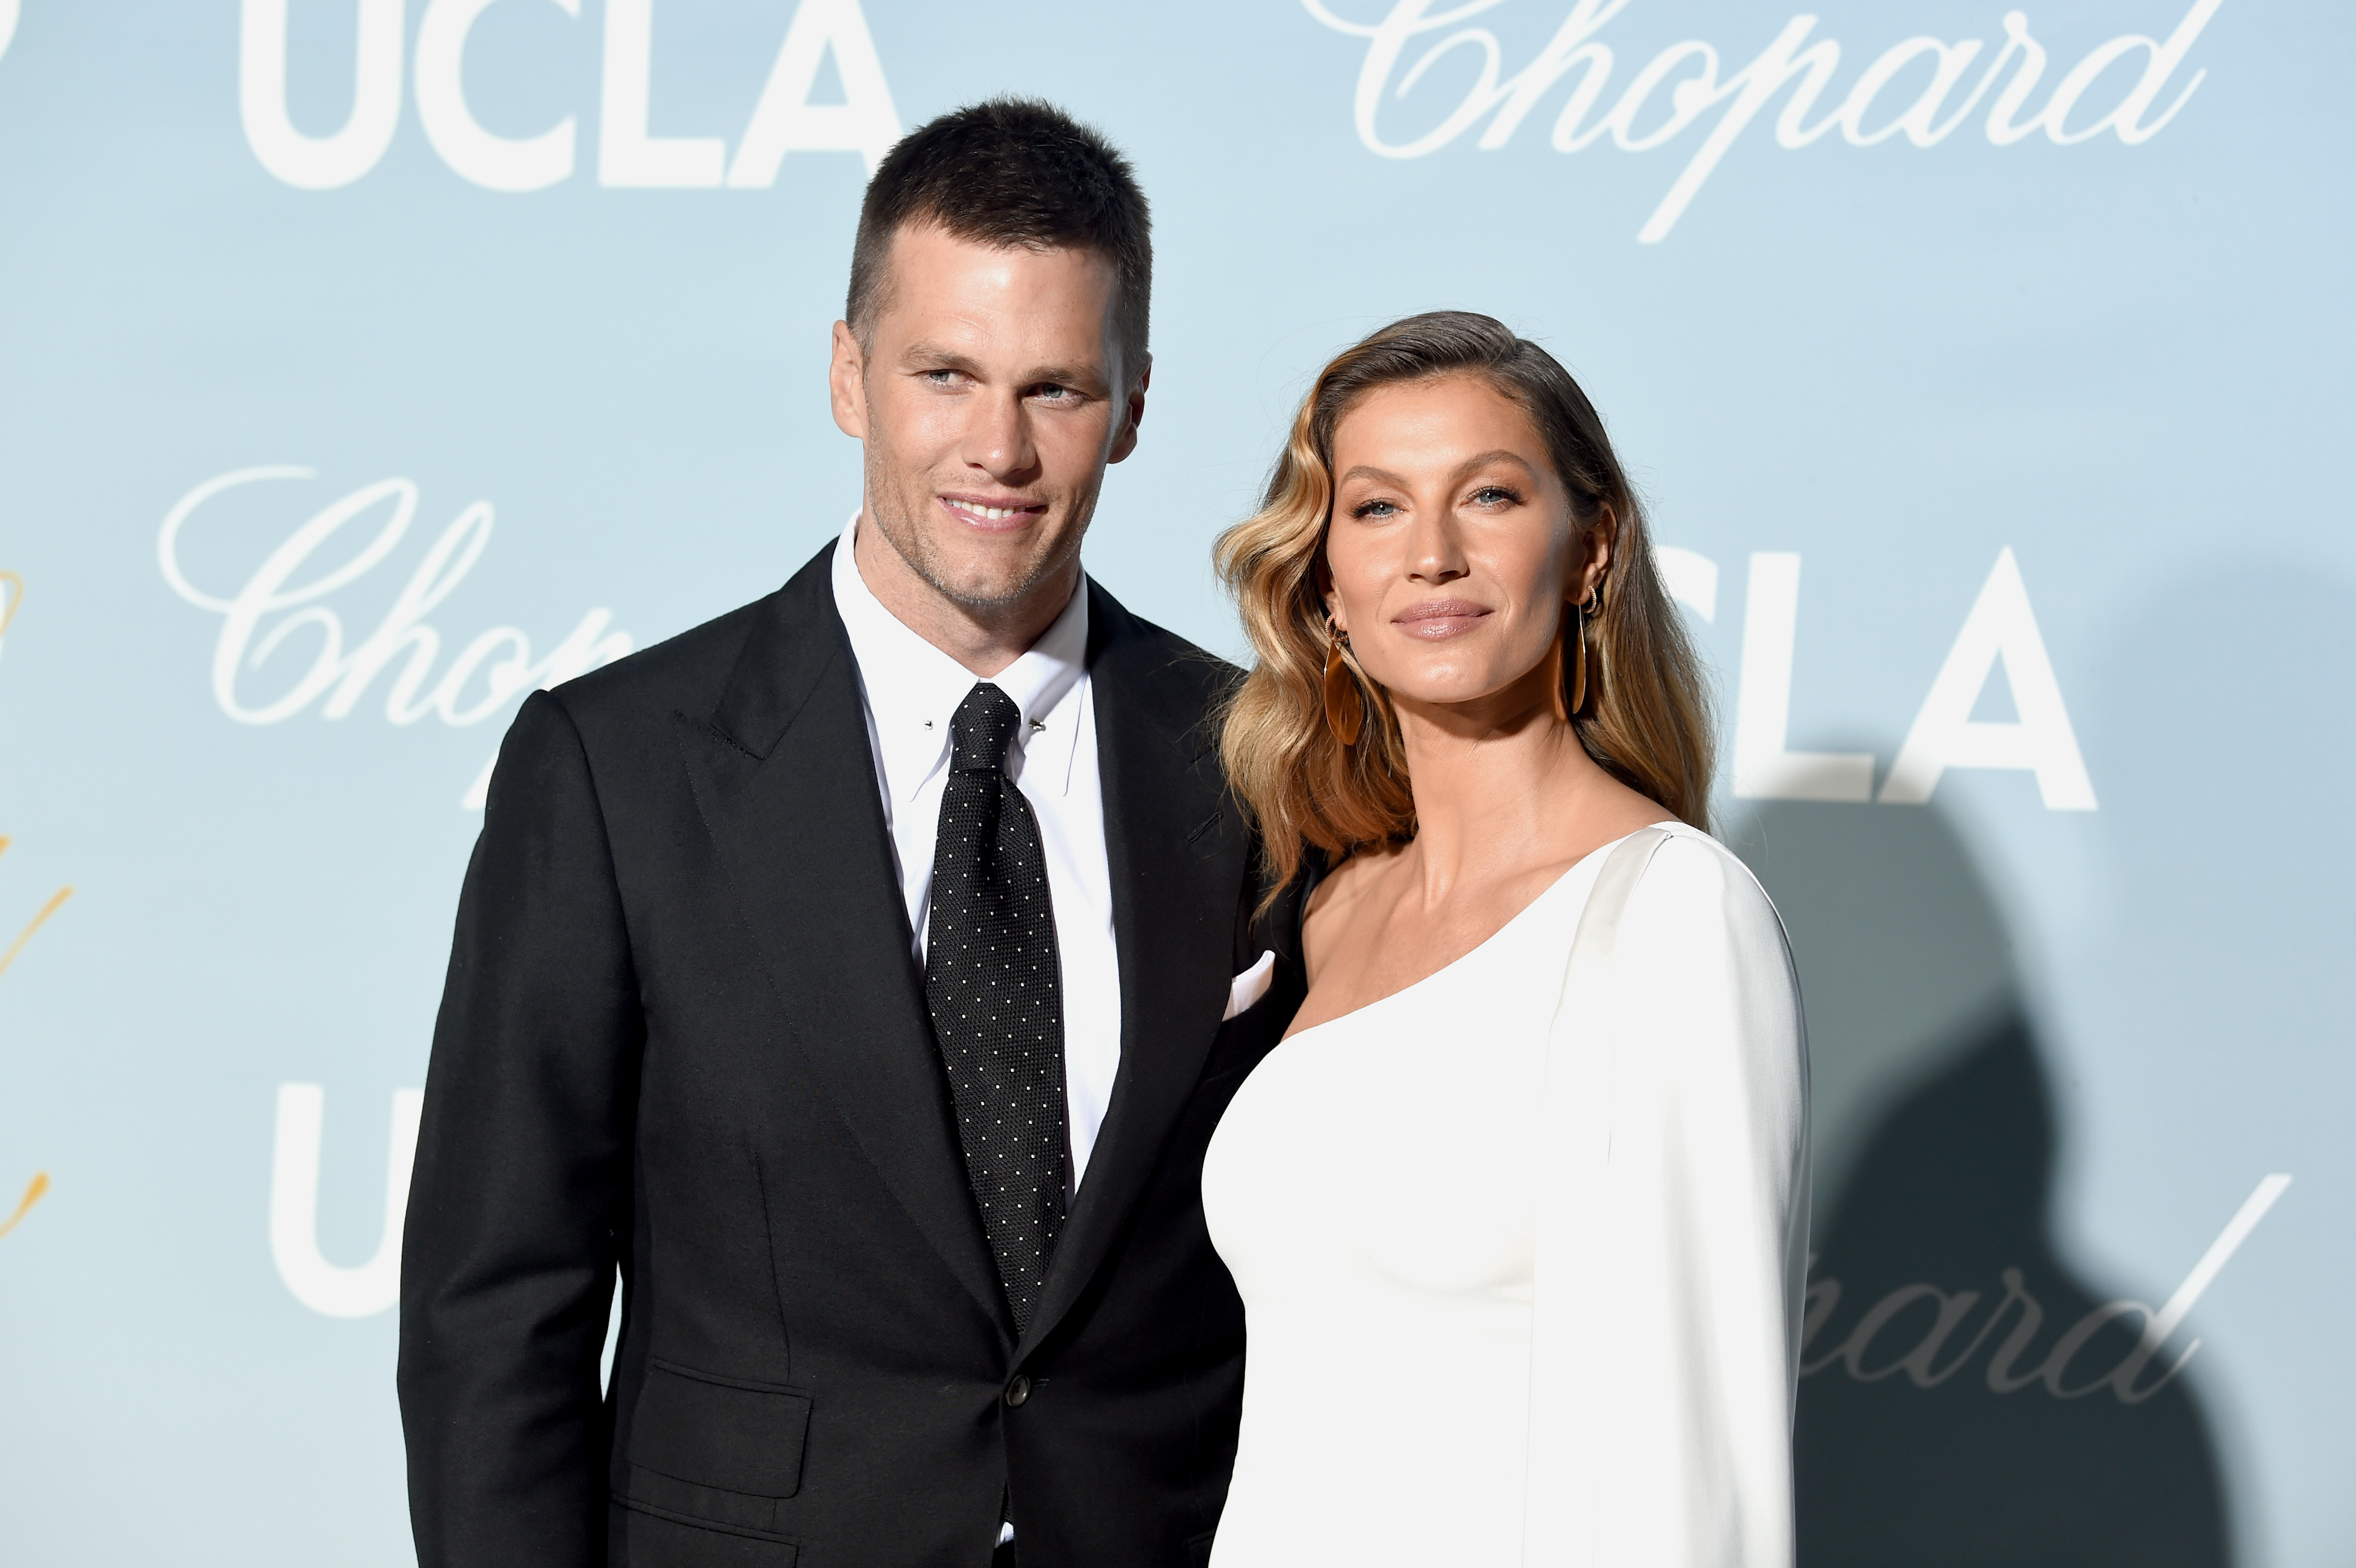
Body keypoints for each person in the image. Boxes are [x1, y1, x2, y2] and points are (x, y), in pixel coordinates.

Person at [398, 100, 1302, 1568]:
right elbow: (495, 1312)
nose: (997, 447)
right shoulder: (618, 767)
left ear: (1133, 408)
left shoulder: (1262, 763)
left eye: (1056, 388)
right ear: (846, 374)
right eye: (943, 374)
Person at [1202, 312, 1811, 1565]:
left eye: (1487, 495)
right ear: (1325, 585)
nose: (1431, 555)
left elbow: (1698, 1483)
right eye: (1376, 507)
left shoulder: (1671, 917)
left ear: (1591, 549)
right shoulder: (1323, 911)